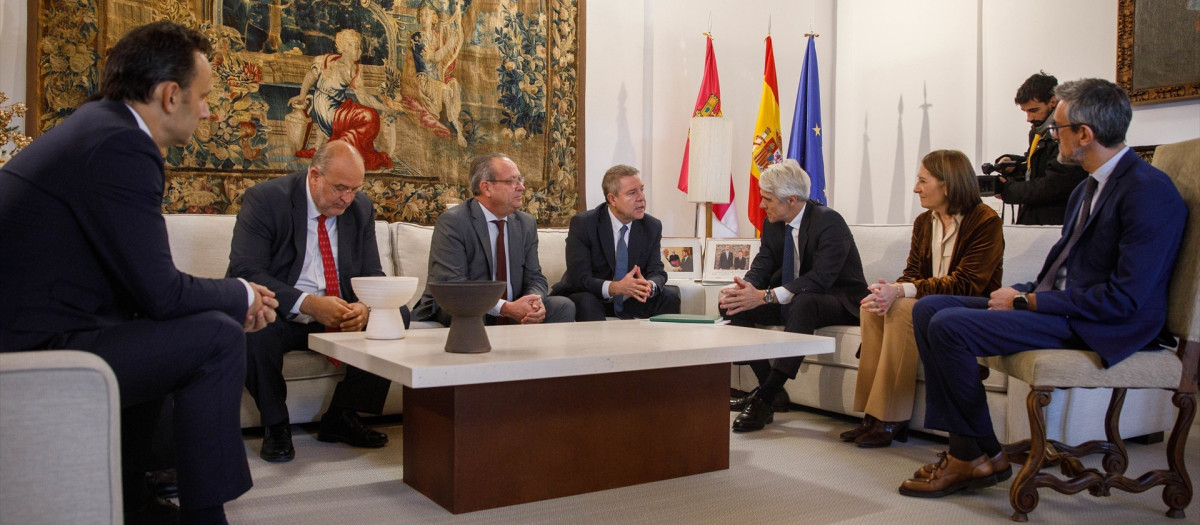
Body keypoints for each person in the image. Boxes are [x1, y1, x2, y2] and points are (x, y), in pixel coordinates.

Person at [0, 21, 279, 524]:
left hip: (36, 332)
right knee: (216, 337)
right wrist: (241, 296)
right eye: (204, 96)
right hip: (32, 353)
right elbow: (162, 293)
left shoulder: (97, 127)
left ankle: (134, 501)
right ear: (171, 95)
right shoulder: (121, 146)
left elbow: (144, 289)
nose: (208, 110)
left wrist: (229, 299)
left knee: (169, 330)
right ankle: (204, 517)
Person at [899, 78, 1186, 498]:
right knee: (929, 308)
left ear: (1084, 134)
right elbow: (1063, 270)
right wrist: (1023, 292)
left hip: (1105, 323)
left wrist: (1026, 301)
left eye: (1057, 128)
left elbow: (1125, 299)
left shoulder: (1148, 192)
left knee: (948, 325)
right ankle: (981, 453)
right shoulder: (1087, 187)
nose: (1051, 136)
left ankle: (970, 455)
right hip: (1068, 308)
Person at [227, 140, 406, 463]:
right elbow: (245, 270)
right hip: (283, 314)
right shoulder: (267, 199)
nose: (347, 198)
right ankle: (276, 425)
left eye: (354, 189)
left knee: (397, 314)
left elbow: (372, 273)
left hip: (339, 315)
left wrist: (365, 308)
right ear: (314, 176)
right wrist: (308, 303)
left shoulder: (360, 208)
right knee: (254, 326)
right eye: (340, 188)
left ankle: (342, 415)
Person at [841, 150, 1004, 448]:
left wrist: (900, 291)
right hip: (931, 305)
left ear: (947, 185)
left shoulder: (985, 220)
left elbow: (967, 283)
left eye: (922, 181)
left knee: (903, 308)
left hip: (974, 307)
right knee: (872, 306)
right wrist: (888, 291)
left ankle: (891, 416)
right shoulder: (923, 222)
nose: (916, 188)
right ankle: (871, 414)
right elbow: (913, 273)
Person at [720, 159, 868, 433]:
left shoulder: (828, 221)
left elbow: (821, 278)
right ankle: (772, 390)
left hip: (838, 299)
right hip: (794, 297)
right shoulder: (773, 224)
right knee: (731, 305)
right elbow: (763, 264)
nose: (761, 205)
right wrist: (745, 289)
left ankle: (763, 399)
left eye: (767, 199)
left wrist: (766, 296)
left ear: (791, 200)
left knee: (804, 301)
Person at [414, 153, 575, 326]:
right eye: (512, 181)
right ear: (486, 188)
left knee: (562, 306)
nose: (521, 187)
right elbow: (453, 285)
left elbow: (535, 276)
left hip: (513, 306)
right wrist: (505, 307)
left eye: (520, 180)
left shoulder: (526, 223)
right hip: (464, 305)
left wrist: (533, 302)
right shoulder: (453, 222)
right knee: (469, 310)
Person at [550, 164, 681, 321]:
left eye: (641, 190)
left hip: (632, 299)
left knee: (670, 296)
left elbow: (657, 271)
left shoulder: (651, 226)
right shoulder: (584, 224)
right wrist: (615, 287)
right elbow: (579, 278)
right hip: (596, 297)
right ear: (612, 199)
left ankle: (657, 339)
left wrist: (649, 285)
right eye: (632, 193)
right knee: (586, 302)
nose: (641, 198)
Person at [287, 28, 392, 170]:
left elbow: (364, 98)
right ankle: (340, 150)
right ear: (345, 47)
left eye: (359, 47)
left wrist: (384, 107)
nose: (359, 50)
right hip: (327, 108)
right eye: (355, 46)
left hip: (340, 106)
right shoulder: (326, 60)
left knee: (372, 116)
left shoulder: (354, 69)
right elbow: (310, 77)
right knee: (369, 116)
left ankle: (340, 148)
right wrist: (302, 95)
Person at [995, 71, 1088, 225]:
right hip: (1035, 217)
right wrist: (1014, 165)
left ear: (1053, 101)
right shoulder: (1038, 131)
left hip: (1057, 221)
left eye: (1033, 110)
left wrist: (1009, 190)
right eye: (1025, 111)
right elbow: (1038, 167)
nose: (1028, 118)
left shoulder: (1069, 132)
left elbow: (1056, 185)